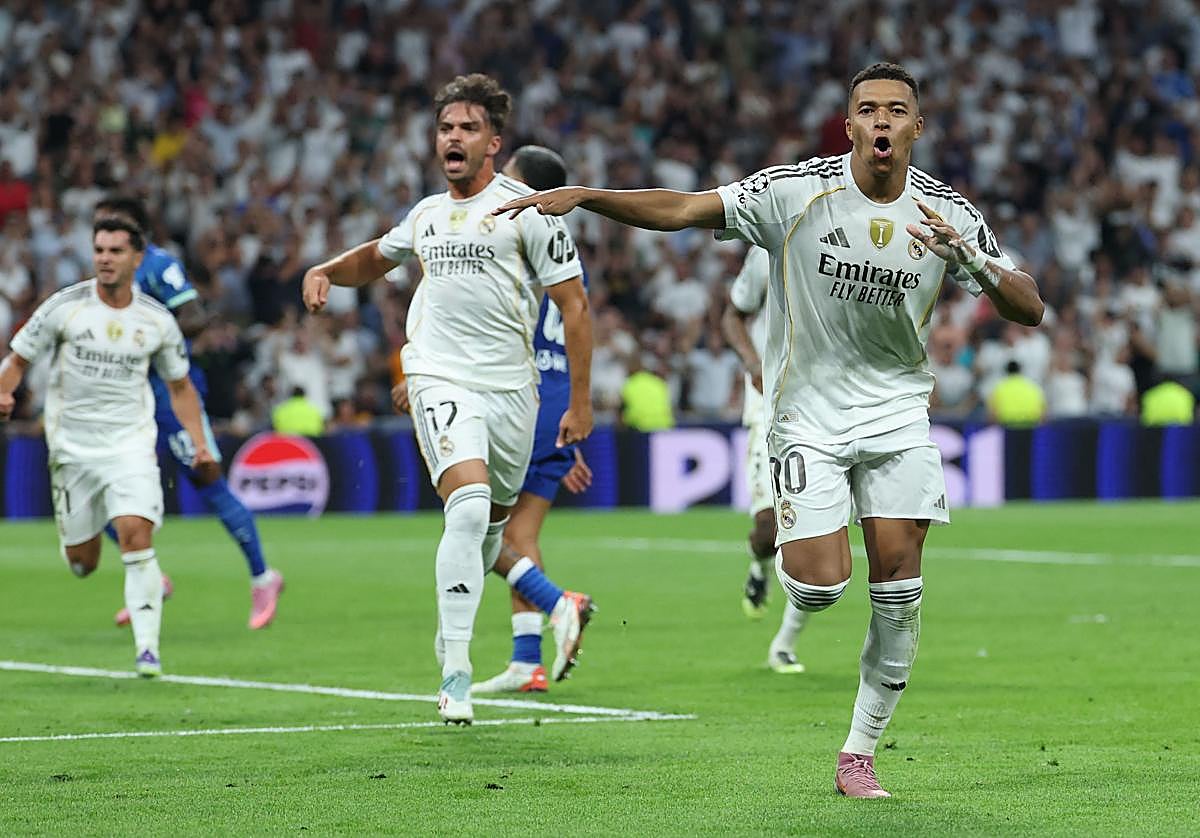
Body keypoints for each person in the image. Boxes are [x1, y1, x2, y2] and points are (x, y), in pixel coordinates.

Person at [493, 62, 1044, 796]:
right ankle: (795, 544)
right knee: (819, 589)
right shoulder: (793, 191)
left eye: (897, 111)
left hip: (898, 413)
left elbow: (1029, 305)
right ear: (849, 125)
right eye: (868, 110)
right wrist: (591, 197)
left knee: (901, 591)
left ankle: (858, 753)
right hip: (807, 416)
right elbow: (684, 208)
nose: (882, 121)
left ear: (917, 127)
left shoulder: (947, 213)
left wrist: (970, 258)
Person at [302, 74, 595, 725]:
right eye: (445, 129)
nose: (452, 139)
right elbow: (376, 258)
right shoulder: (427, 215)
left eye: (466, 128)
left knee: (491, 533)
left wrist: (580, 403)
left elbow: (574, 307)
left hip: (513, 392)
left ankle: (501, 614)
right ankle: (456, 671)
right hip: (439, 376)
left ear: (494, 141)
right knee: (466, 509)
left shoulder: (528, 210)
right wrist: (325, 271)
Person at [0, 218, 215, 676]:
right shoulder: (66, 307)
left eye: (116, 251)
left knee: (136, 532)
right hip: (72, 449)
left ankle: (148, 651)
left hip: (129, 445)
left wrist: (200, 444)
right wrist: (4, 391)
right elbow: (18, 358)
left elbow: (180, 388)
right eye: (99, 249)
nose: (104, 258)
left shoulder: (156, 320)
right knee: (83, 563)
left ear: (137, 259)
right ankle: (82, 536)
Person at [92, 197, 284, 631]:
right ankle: (150, 578)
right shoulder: (103, 277)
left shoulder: (159, 266)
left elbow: (195, 317)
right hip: (124, 398)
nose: (106, 248)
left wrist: (153, 335)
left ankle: (263, 577)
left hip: (169, 393)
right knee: (95, 493)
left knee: (208, 478)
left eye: (116, 233)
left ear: (137, 236)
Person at [467, 144, 597, 694]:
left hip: (518, 399)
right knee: (520, 533)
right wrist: (576, 413)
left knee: (475, 529)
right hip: (557, 402)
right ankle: (527, 661)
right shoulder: (562, 247)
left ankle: (557, 603)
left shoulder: (510, 233)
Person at [721, 247, 809, 674]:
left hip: (825, 405)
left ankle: (784, 644)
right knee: (767, 529)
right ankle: (758, 567)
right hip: (769, 404)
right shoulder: (766, 249)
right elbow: (732, 315)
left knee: (813, 536)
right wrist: (752, 362)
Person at [987, 360, 1046, 427]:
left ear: (1006, 371)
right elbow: (1043, 410)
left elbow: (992, 413)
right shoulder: (1032, 386)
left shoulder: (999, 388)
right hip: (1029, 426)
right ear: (1020, 371)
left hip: (1007, 426)